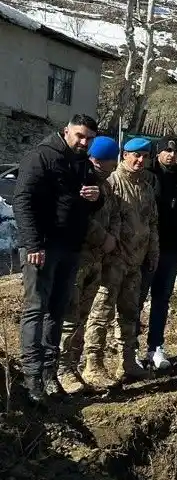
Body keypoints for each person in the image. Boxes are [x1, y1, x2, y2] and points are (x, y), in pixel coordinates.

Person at [13, 114, 102, 403]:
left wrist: (95, 197)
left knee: (57, 311)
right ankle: (31, 377)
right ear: (66, 131)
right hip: (43, 248)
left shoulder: (84, 163)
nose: (84, 141)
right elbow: (22, 201)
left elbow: (95, 201)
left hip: (70, 248)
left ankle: (50, 374)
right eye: (79, 135)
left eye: (89, 138)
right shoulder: (41, 157)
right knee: (36, 310)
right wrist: (33, 244)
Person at [82, 137, 159, 388]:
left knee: (130, 313)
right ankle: (93, 363)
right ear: (124, 155)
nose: (139, 160)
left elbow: (152, 224)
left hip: (135, 263)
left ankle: (127, 360)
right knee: (101, 312)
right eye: (134, 155)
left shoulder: (146, 188)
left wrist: (153, 252)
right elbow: (106, 221)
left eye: (144, 156)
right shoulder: (112, 184)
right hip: (112, 262)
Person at [58, 136, 121, 393]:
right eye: (111, 159)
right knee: (69, 318)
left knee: (83, 317)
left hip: (97, 260)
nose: (114, 164)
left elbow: (115, 214)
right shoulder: (84, 179)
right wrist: (104, 237)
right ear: (100, 159)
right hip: (78, 258)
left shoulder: (106, 186)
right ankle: (61, 368)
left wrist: (113, 238)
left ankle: (74, 367)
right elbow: (78, 217)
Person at [140, 136, 177, 370]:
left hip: (171, 249)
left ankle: (156, 347)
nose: (171, 155)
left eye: (175, 151)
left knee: (161, 300)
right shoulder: (146, 174)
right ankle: (130, 349)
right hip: (144, 249)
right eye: (166, 151)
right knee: (136, 299)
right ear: (158, 152)